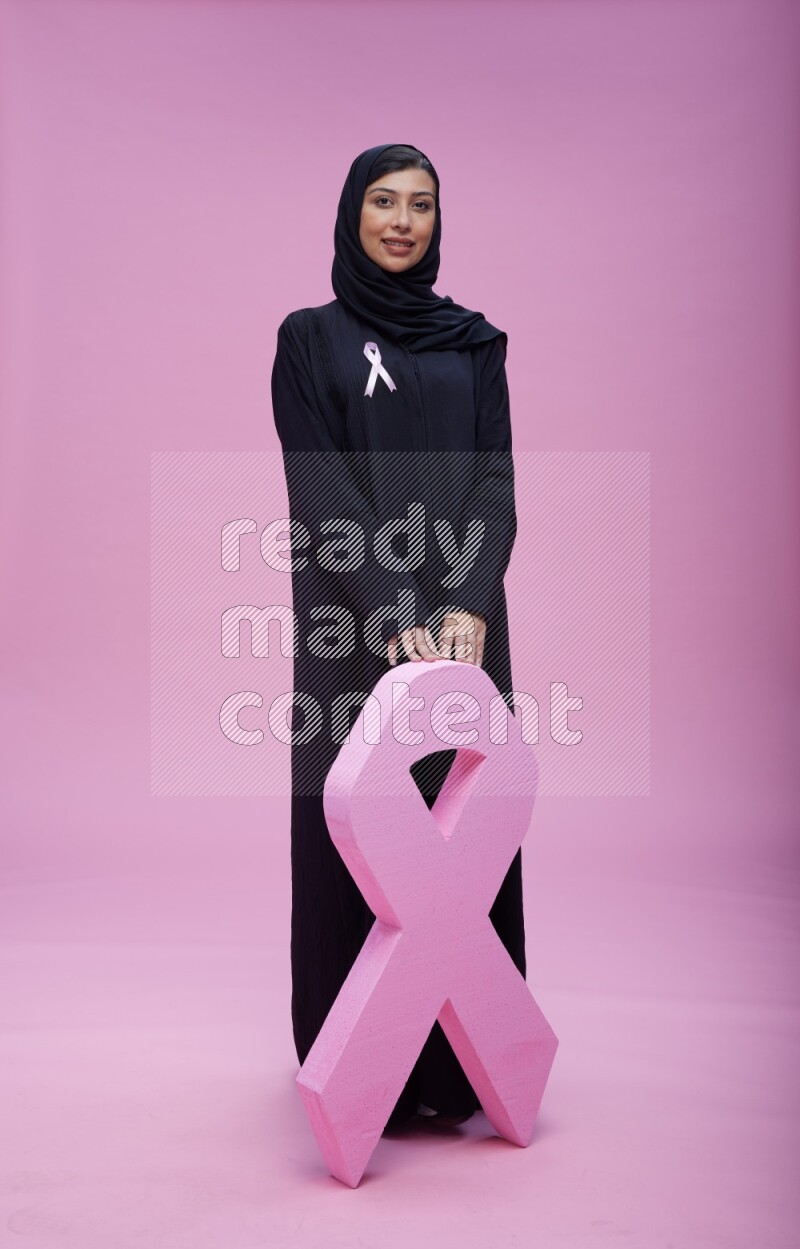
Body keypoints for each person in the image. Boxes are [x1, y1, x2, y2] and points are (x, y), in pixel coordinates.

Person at [270, 143, 525, 1131]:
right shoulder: (309, 340)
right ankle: (358, 1073)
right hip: (354, 625)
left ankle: (458, 1073)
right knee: (360, 834)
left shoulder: (474, 343)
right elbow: (321, 486)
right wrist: (395, 612)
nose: (402, 221)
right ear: (353, 214)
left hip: (463, 631)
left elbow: (495, 479)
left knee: (460, 836)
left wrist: (464, 602)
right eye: (384, 201)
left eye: (421, 204)